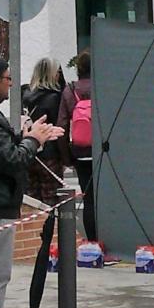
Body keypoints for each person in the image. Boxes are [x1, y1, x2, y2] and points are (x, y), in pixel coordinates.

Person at [0, 57, 64, 308]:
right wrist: (33, 140)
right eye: (7, 77)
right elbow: (11, 160)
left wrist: (28, 137)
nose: (11, 83)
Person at [57, 52, 95, 241]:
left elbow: (62, 125)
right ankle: (109, 242)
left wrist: (67, 158)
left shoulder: (70, 91)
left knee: (88, 198)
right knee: (104, 196)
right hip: (102, 151)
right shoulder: (101, 87)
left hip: (80, 151)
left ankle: (94, 242)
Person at [22, 58, 64, 205]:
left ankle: (36, 228)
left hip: (29, 151)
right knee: (51, 199)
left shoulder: (24, 95)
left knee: (32, 200)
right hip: (49, 155)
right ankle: (50, 228)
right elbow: (60, 126)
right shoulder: (55, 97)